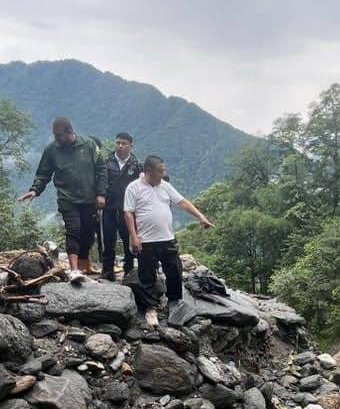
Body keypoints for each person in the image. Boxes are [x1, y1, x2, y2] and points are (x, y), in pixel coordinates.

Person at [123, 155, 213, 327]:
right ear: (148, 171)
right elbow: (128, 212)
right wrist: (134, 236)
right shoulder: (134, 188)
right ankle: (150, 308)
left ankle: (175, 302)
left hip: (167, 237)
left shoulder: (165, 186)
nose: (163, 174)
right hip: (146, 240)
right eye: (160, 171)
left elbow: (183, 202)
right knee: (147, 274)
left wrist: (200, 216)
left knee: (174, 270)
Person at [18, 118, 107, 282]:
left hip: (89, 199)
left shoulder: (89, 145)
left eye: (59, 135)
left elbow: (101, 170)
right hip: (67, 198)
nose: (56, 138)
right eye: (55, 135)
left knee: (88, 234)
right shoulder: (52, 150)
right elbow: (43, 173)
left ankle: (82, 265)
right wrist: (35, 190)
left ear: (69, 131)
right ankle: (74, 270)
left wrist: (101, 193)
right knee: (74, 230)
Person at [100, 132, 142, 281]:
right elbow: (101, 182)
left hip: (128, 209)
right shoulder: (106, 163)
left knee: (128, 239)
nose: (120, 146)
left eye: (123, 143)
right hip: (109, 207)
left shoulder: (136, 166)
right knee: (109, 239)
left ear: (131, 145)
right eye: (117, 142)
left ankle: (129, 271)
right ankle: (107, 271)